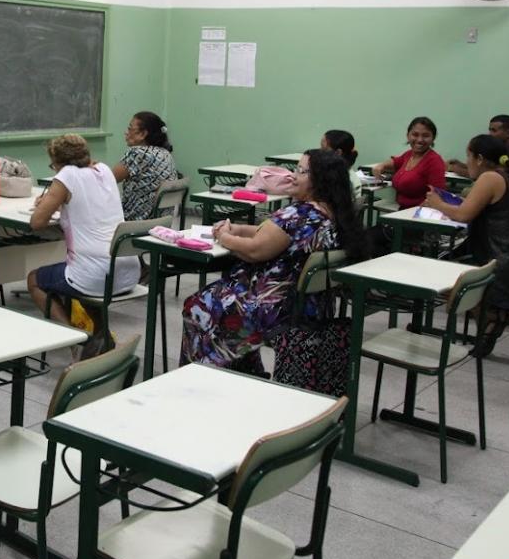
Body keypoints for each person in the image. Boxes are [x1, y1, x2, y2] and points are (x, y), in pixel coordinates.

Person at [181, 149, 364, 372]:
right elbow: (273, 234)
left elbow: (255, 251)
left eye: (302, 171)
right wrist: (238, 228)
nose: (293, 176)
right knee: (217, 299)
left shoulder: (300, 214)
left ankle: (199, 376)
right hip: (311, 304)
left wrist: (224, 236)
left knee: (197, 305)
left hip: (274, 307)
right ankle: (244, 370)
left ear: (320, 180)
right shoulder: (333, 213)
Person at [424, 134, 509, 357]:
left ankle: (490, 316)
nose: (467, 162)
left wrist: (438, 203)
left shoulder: (490, 179)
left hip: (499, 262)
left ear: (480, 158)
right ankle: (489, 317)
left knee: (442, 271)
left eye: (468, 156)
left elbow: (464, 215)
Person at [26, 134, 139, 337]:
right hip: (128, 272)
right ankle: (101, 338)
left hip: (95, 276)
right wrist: (59, 199)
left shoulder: (67, 175)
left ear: (59, 163)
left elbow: (37, 222)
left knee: (34, 280)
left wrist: (49, 200)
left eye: (53, 166)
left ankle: (75, 339)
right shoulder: (104, 170)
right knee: (87, 274)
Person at [111, 111, 177, 221]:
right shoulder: (165, 153)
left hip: (137, 220)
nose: (126, 133)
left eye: (130, 129)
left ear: (142, 134)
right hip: (162, 221)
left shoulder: (138, 153)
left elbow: (109, 179)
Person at [447, 115, 509, 185]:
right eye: (490, 130)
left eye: (494, 130)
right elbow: (488, 169)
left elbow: (487, 175)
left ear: (508, 132)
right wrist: (462, 165)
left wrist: (455, 169)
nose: (490, 134)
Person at [371, 116, 446, 209]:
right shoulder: (409, 155)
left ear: (433, 138)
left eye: (426, 136)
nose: (420, 140)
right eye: (415, 134)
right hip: (401, 209)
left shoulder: (434, 161)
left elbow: (439, 196)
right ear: (408, 135)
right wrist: (381, 165)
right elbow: (395, 161)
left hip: (418, 214)